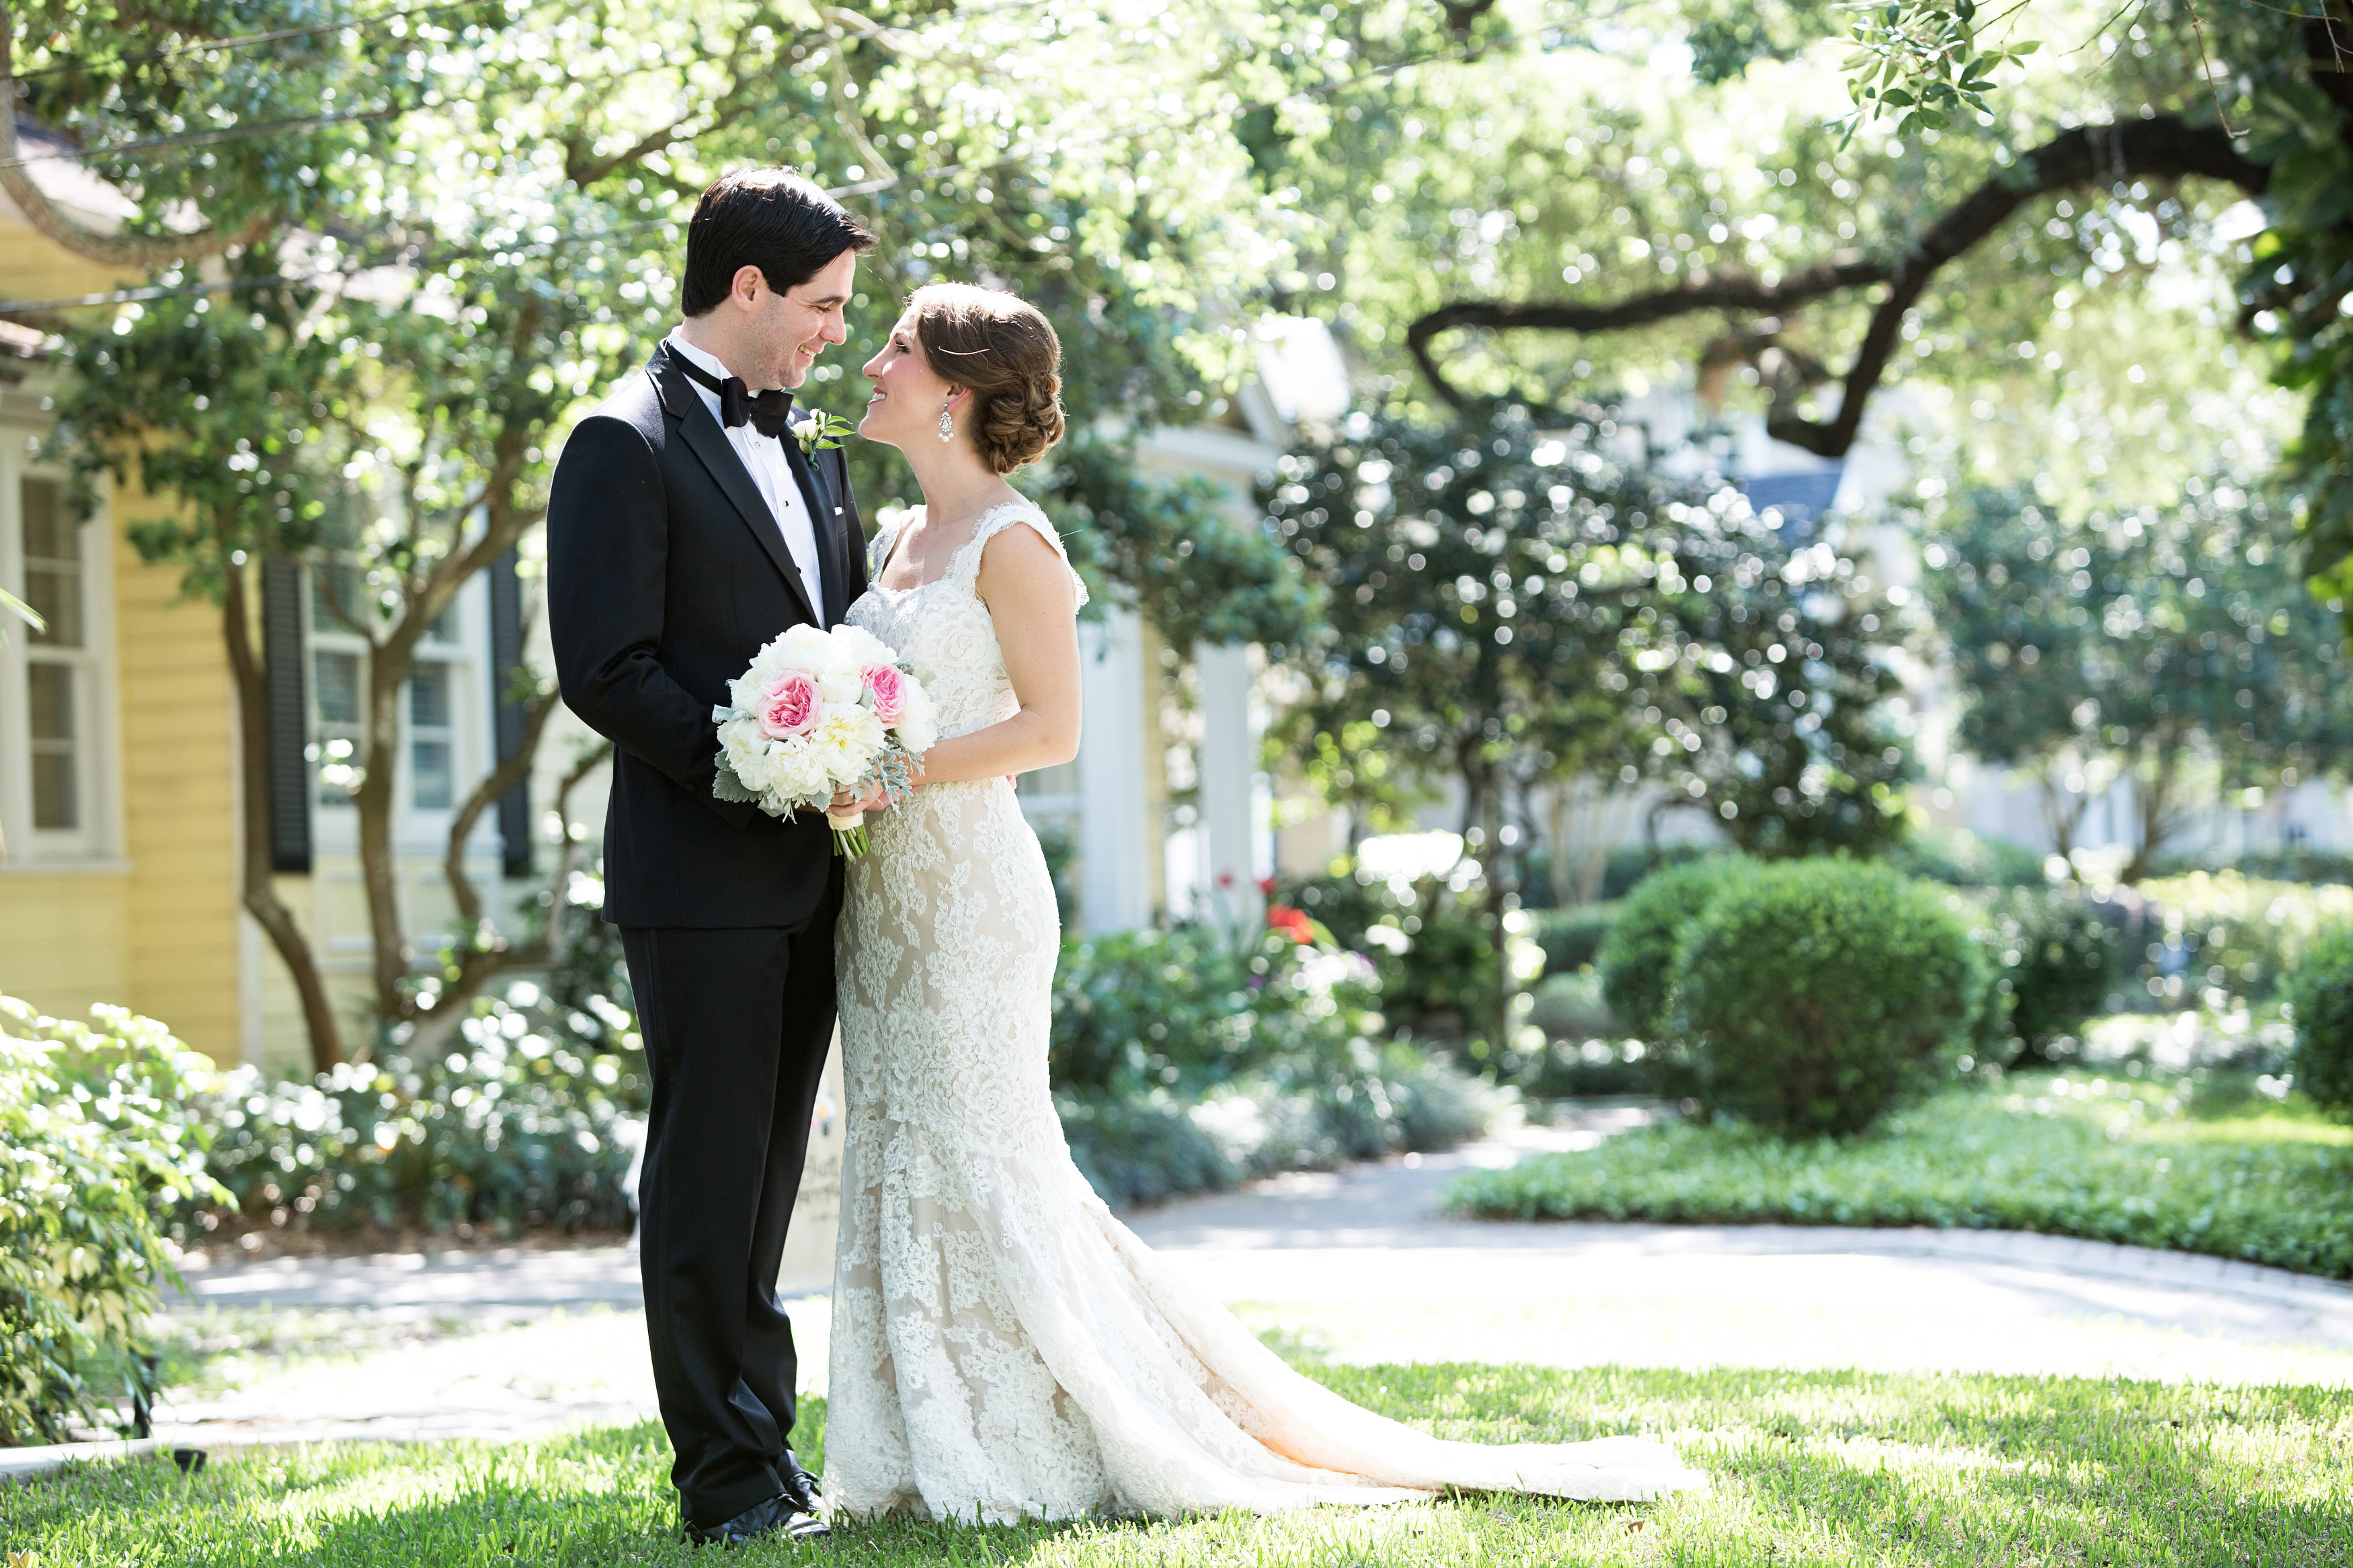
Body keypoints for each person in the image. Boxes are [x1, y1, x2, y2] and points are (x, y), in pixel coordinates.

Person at [822, 282, 1708, 1522]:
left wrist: (892, 768)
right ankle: (916, 1437)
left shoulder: (1012, 543)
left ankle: (1043, 1435)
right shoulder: (891, 539)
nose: (873, 362)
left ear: (955, 392)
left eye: (900, 348)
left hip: (972, 899)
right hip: (884, 904)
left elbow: (1053, 728)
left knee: (985, 1155)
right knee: (899, 1147)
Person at [545, 168, 873, 1548]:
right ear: (746, 289)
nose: (834, 336)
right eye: (820, 307)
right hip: (699, 872)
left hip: (812, 875)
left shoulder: (803, 446)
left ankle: (768, 1447)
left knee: (766, 1180)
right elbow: (604, 667)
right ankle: (723, 1483)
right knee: (705, 1175)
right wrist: (755, 768)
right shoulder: (618, 439)